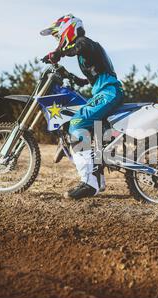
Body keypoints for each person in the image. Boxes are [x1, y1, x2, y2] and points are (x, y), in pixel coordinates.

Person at [40, 14, 124, 199]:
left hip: (108, 92)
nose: (58, 41)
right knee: (92, 132)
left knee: (77, 122)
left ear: (67, 29)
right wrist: (75, 78)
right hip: (105, 91)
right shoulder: (86, 50)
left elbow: (80, 47)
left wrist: (59, 53)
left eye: (58, 36)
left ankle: (89, 183)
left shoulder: (84, 43)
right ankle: (98, 181)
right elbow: (96, 73)